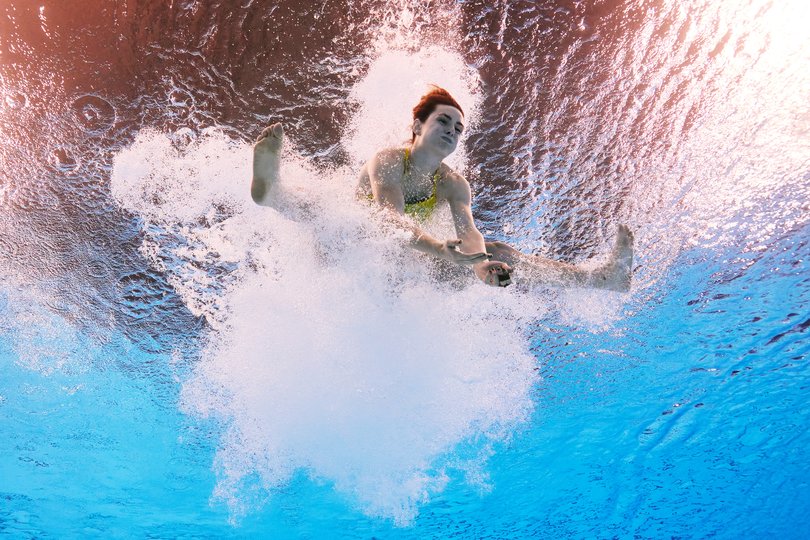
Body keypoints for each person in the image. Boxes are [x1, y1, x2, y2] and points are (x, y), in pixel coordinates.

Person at [251, 86, 633, 290]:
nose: (452, 131)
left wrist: (481, 265)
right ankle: (271, 192)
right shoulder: (387, 160)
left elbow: (469, 231)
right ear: (417, 126)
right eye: (444, 121)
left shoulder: (453, 184)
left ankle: (601, 280)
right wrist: (439, 249)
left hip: (400, 274)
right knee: (330, 212)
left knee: (499, 251)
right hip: (344, 256)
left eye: (458, 128)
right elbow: (388, 220)